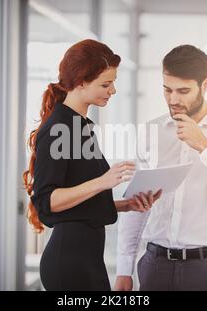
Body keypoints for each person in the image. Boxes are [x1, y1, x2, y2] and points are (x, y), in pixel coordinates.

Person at [114, 45, 207, 291]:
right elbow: (137, 204)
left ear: (205, 85)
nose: (173, 99)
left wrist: (205, 146)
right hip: (155, 267)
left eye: (183, 91)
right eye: (167, 89)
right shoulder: (150, 132)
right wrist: (123, 269)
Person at [23, 39, 162, 291]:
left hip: (86, 259)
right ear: (81, 82)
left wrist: (125, 205)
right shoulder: (59, 129)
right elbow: (47, 201)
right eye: (106, 84)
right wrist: (103, 181)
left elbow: (79, 204)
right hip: (69, 263)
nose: (113, 91)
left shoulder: (79, 127)